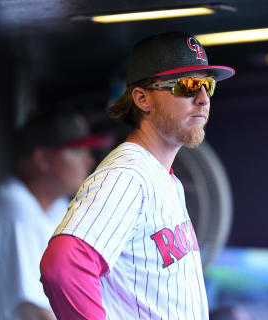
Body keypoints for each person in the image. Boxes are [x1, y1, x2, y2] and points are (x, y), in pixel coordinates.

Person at [39, 31, 235, 319]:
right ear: (142, 99)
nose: (203, 99)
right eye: (188, 85)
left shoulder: (165, 179)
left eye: (207, 85)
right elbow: (63, 266)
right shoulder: (126, 176)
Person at [0, 111, 111, 320]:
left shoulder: (57, 206)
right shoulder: (15, 208)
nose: (88, 161)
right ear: (42, 159)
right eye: (77, 151)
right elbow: (36, 313)